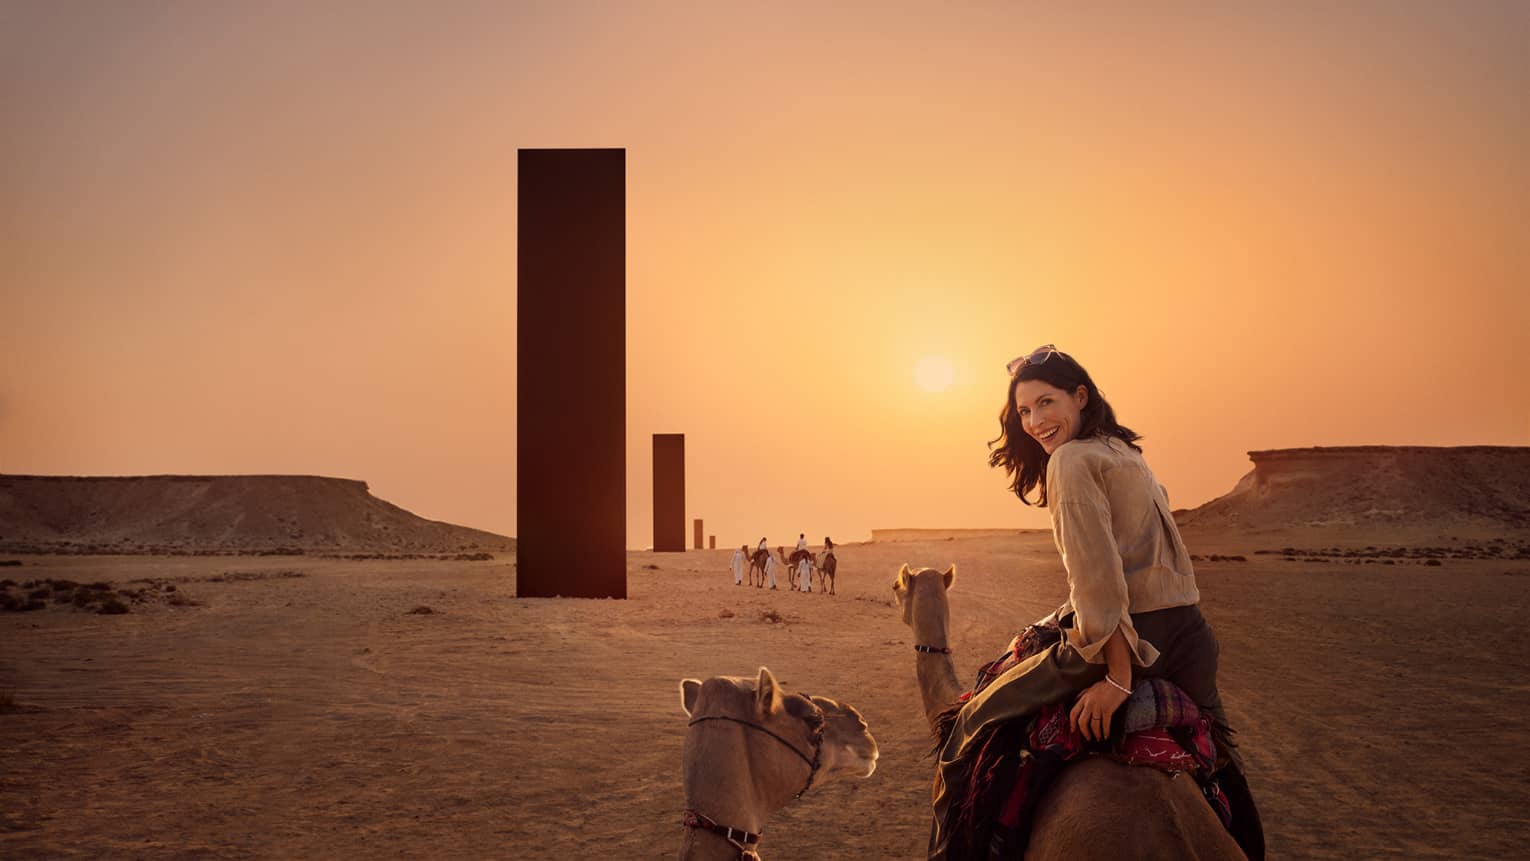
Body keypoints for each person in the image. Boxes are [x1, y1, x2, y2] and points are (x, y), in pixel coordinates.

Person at [927, 344, 1263, 860]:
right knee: (1223, 760)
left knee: (968, 730)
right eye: (1024, 411)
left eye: (1046, 403)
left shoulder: (1070, 461)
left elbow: (1099, 586)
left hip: (1126, 643)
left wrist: (1117, 681)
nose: (1035, 422)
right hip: (1192, 639)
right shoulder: (1126, 453)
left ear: (1080, 396)